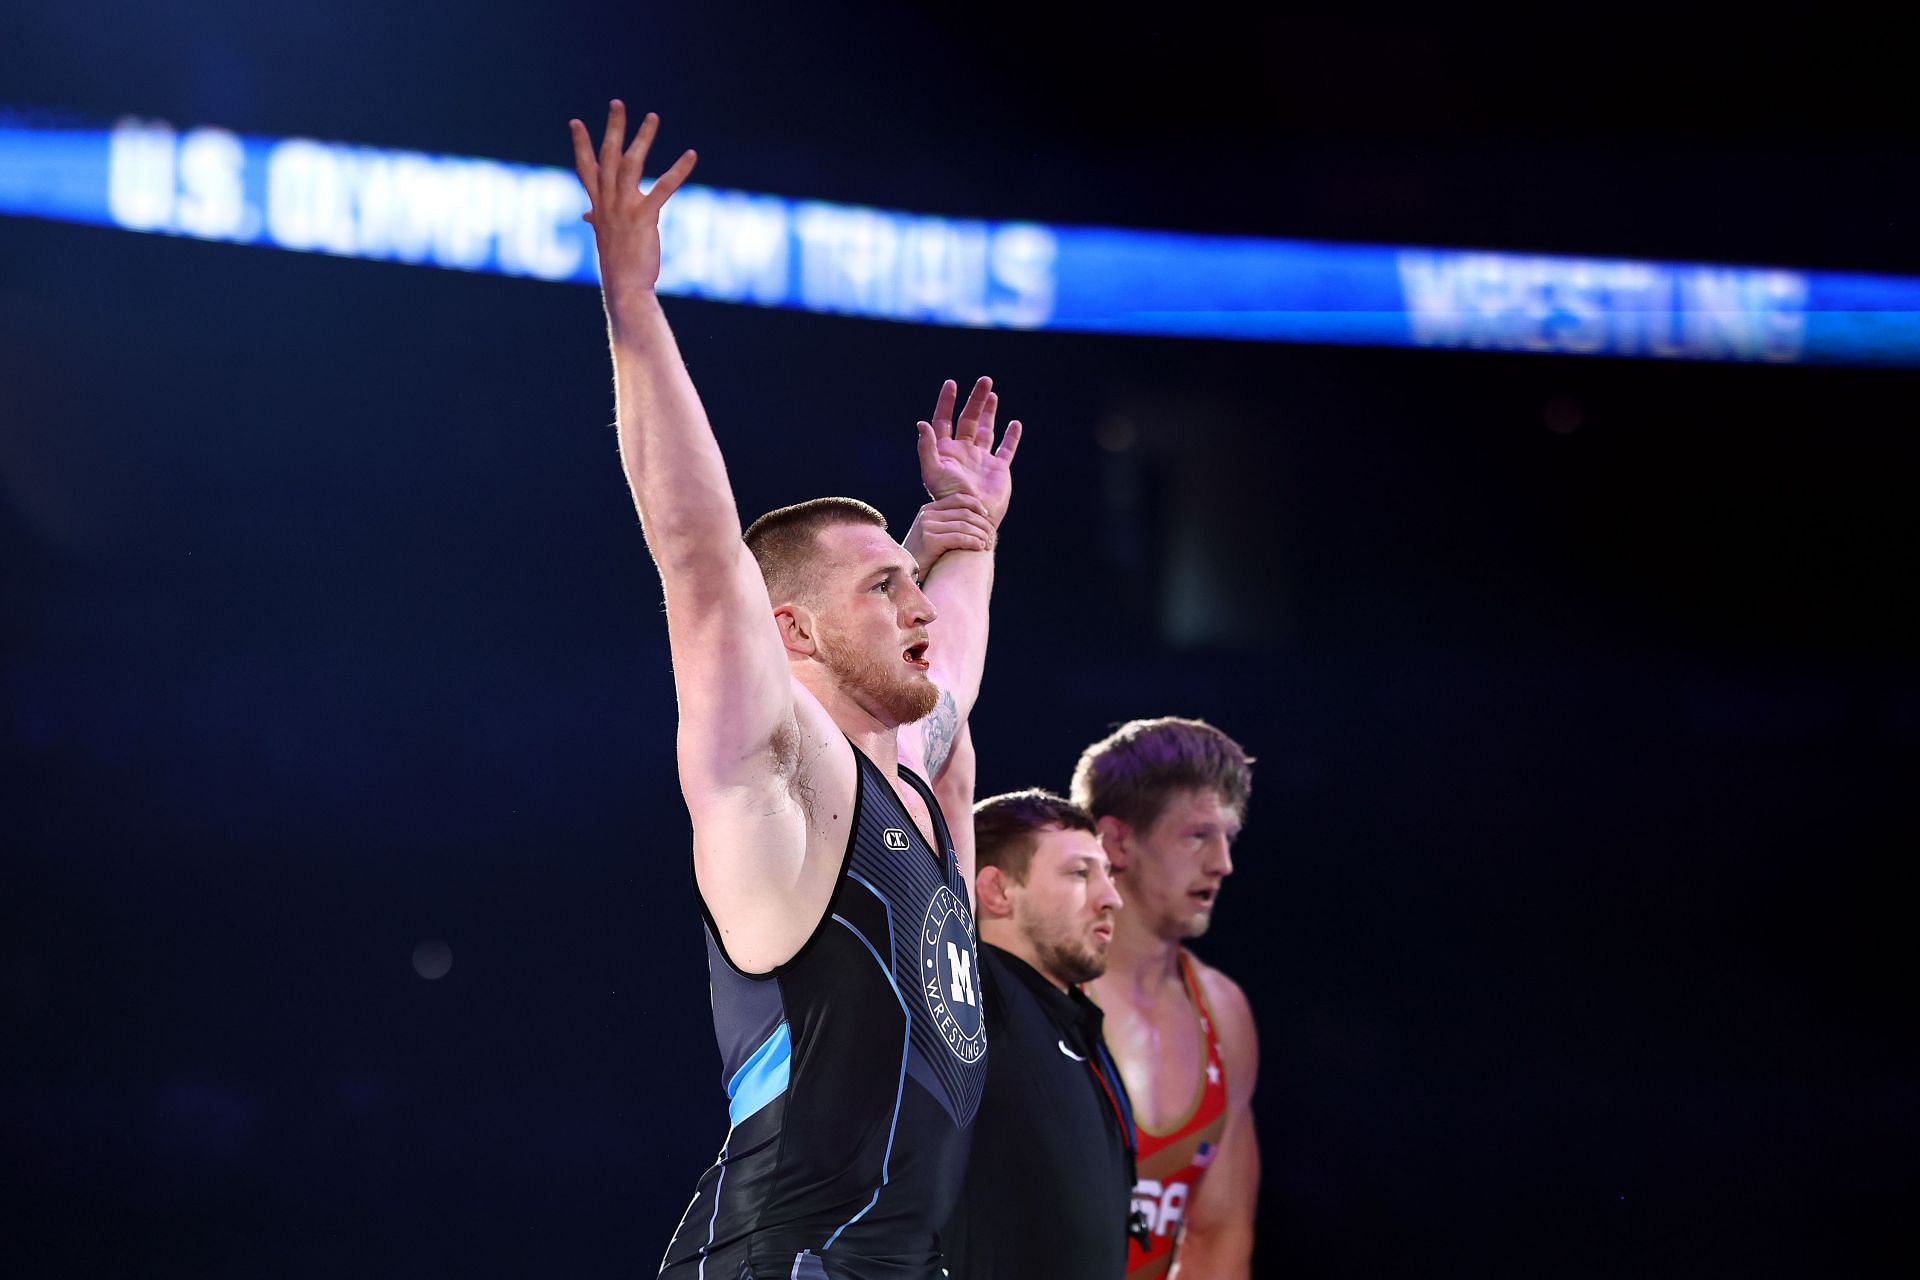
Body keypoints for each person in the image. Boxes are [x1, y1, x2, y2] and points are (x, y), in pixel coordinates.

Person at [566, 102, 1022, 1280]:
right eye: (885, 587)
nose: (919, 604)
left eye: (913, 583)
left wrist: (962, 525)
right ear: (794, 632)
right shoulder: (782, 776)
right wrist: (634, 311)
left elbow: (954, 645)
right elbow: (698, 551)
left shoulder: (912, 778)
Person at [1074, 718, 1261, 1280]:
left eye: (1228, 837)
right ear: (1118, 841)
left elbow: (1217, 1235)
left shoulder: (1223, 1012)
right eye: (1197, 835)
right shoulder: (1029, 984)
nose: (1222, 863)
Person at [939, 757, 1137, 1280]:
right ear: (997, 891)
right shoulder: (977, 1001)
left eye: (1109, 876)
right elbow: (945, 797)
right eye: (1080, 874)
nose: (1112, 898)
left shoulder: (1082, 1032)